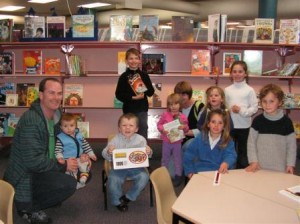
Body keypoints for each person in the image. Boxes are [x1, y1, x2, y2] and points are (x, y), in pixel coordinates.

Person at [3, 78, 78, 224]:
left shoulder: (57, 115)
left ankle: (48, 195)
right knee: (68, 184)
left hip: (45, 166)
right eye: (51, 93)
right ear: (41, 95)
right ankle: (28, 208)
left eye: (59, 93)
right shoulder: (32, 120)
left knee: (83, 172)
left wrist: (79, 156)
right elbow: (33, 162)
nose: (56, 98)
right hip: (26, 175)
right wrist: (63, 166)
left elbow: (67, 140)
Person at [102, 113, 152, 212]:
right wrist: (108, 151)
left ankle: (129, 197)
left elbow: (146, 156)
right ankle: (117, 201)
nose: (127, 128)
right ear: (119, 128)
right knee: (113, 180)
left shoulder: (141, 140)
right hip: (119, 168)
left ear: (136, 129)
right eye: (124, 125)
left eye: (131, 125)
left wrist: (149, 152)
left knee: (144, 177)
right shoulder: (115, 140)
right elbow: (104, 154)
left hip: (136, 168)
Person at [246, 84, 297, 174]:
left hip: (281, 168)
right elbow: (251, 143)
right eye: (264, 101)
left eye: (271, 101)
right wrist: (253, 161)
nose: (267, 105)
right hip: (259, 168)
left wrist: (290, 164)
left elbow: (291, 146)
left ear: (280, 102)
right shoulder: (257, 121)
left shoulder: (287, 122)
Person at [183, 109, 237, 178]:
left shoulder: (227, 140)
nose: (216, 125)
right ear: (208, 124)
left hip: (219, 173)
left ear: (224, 126)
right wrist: (190, 172)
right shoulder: (200, 138)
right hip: (200, 173)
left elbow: (231, 155)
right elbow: (188, 155)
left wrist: (226, 163)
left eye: (220, 123)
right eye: (213, 122)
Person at [225, 61, 258, 169]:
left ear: (245, 73)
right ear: (231, 74)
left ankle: (242, 173)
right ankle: (229, 171)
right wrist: (229, 109)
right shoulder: (227, 90)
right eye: (234, 71)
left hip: (244, 126)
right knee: (230, 150)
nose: (237, 74)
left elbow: (254, 108)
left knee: (243, 152)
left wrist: (241, 111)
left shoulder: (249, 90)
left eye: (240, 71)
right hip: (230, 126)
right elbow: (224, 107)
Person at [115, 48, 154, 139]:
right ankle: (128, 152)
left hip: (142, 110)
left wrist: (143, 87)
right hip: (128, 110)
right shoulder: (123, 77)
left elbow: (151, 92)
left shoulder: (144, 75)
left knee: (142, 130)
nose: (134, 61)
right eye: (131, 58)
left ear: (139, 60)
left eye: (136, 58)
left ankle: (143, 152)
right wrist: (133, 98)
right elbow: (119, 94)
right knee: (127, 133)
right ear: (126, 61)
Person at [55, 113, 97, 188]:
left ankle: (83, 177)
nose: (69, 128)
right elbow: (58, 150)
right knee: (72, 171)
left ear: (76, 126)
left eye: (71, 125)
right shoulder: (61, 138)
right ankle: (74, 183)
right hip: (69, 160)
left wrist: (91, 154)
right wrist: (60, 157)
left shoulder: (79, 135)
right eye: (65, 126)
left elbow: (85, 145)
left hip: (79, 158)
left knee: (85, 164)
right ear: (61, 127)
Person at [157, 93, 189, 187]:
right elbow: (159, 125)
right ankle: (163, 175)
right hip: (166, 141)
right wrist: (163, 129)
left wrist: (183, 127)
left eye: (175, 104)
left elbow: (187, 128)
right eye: (171, 104)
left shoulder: (182, 116)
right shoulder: (165, 115)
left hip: (177, 142)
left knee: (177, 159)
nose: (173, 106)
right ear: (168, 106)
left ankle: (178, 175)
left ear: (180, 105)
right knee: (165, 158)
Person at [174, 81, 204, 148]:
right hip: (179, 143)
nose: (181, 97)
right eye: (178, 95)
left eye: (184, 95)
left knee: (188, 146)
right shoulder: (175, 108)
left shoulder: (199, 107)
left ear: (189, 95)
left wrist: (186, 132)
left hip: (196, 143)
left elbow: (204, 130)